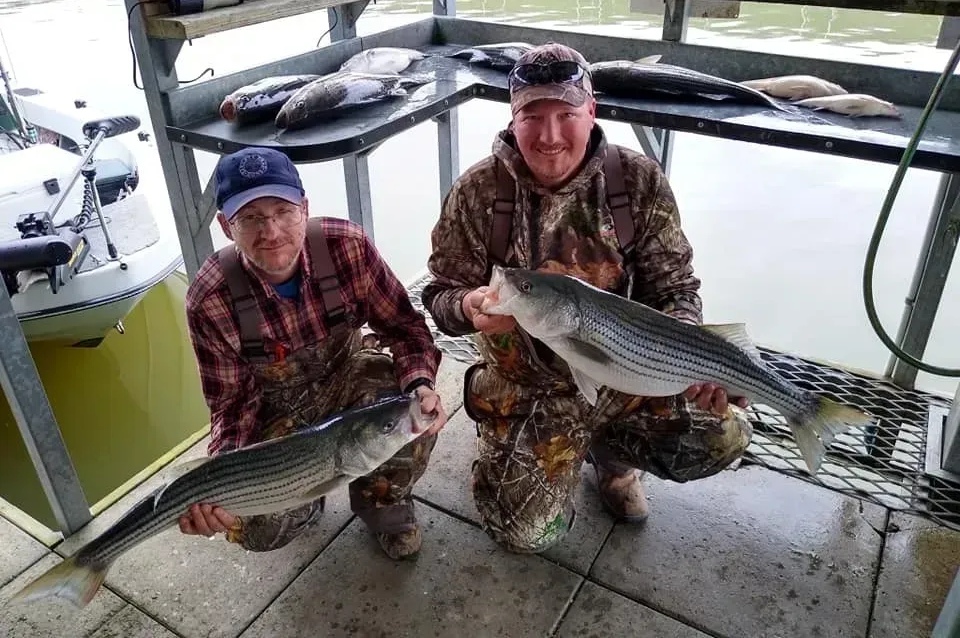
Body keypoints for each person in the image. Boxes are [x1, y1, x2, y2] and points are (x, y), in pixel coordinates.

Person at [421, 42, 753, 554]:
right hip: (528, 386)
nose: (550, 136)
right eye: (533, 115)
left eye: (567, 114)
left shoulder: (636, 180)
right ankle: (523, 441)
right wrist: (467, 307)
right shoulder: (477, 193)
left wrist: (696, 358)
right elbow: (440, 293)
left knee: (719, 435)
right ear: (513, 117)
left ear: (591, 111)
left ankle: (612, 459)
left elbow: (675, 287)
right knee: (524, 533)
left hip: (631, 372)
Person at [181, 146, 446, 560]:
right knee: (258, 527)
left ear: (304, 208)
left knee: (409, 413)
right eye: (250, 218)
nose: (270, 232)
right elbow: (230, 404)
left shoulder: (347, 246)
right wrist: (223, 477)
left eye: (283, 211)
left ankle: (383, 505)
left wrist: (421, 383)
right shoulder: (209, 297)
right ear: (224, 225)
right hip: (279, 415)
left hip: (349, 379)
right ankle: (303, 500)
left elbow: (405, 327)